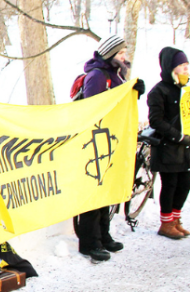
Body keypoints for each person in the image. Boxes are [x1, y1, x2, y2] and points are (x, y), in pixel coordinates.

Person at [75, 34, 146, 260]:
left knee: (106, 191)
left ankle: (103, 235)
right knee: (94, 192)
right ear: (111, 55)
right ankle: (89, 242)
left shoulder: (116, 74)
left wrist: (134, 91)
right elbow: (94, 106)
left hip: (111, 138)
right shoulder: (97, 76)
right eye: (122, 53)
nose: (125, 57)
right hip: (96, 140)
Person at [147, 47, 190, 239]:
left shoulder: (186, 89)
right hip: (168, 147)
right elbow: (156, 120)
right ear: (171, 68)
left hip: (186, 147)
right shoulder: (159, 91)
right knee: (170, 184)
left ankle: (176, 219)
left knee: (185, 184)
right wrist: (177, 136)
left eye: (187, 66)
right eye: (182, 66)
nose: (186, 70)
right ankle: (166, 223)